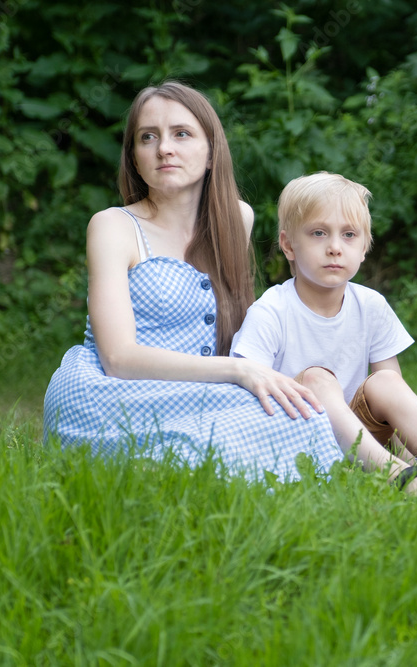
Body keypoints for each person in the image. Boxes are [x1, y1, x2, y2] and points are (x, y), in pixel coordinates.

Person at [43, 81, 350, 485]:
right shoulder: (113, 226)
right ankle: (169, 461)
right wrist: (238, 374)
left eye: (181, 134)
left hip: (195, 392)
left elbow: (241, 328)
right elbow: (117, 358)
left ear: (211, 152)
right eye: (147, 137)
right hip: (109, 392)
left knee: (300, 414)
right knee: (286, 422)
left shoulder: (236, 218)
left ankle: (170, 463)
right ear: (134, 158)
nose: (163, 148)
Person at [231, 172, 417, 491]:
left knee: (386, 380)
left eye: (348, 235)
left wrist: (410, 454)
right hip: (294, 439)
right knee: (318, 379)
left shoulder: (371, 305)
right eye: (319, 233)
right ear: (288, 245)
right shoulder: (272, 310)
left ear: (364, 247)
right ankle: (403, 480)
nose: (334, 247)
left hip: (364, 443)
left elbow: (392, 402)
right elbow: (246, 391)